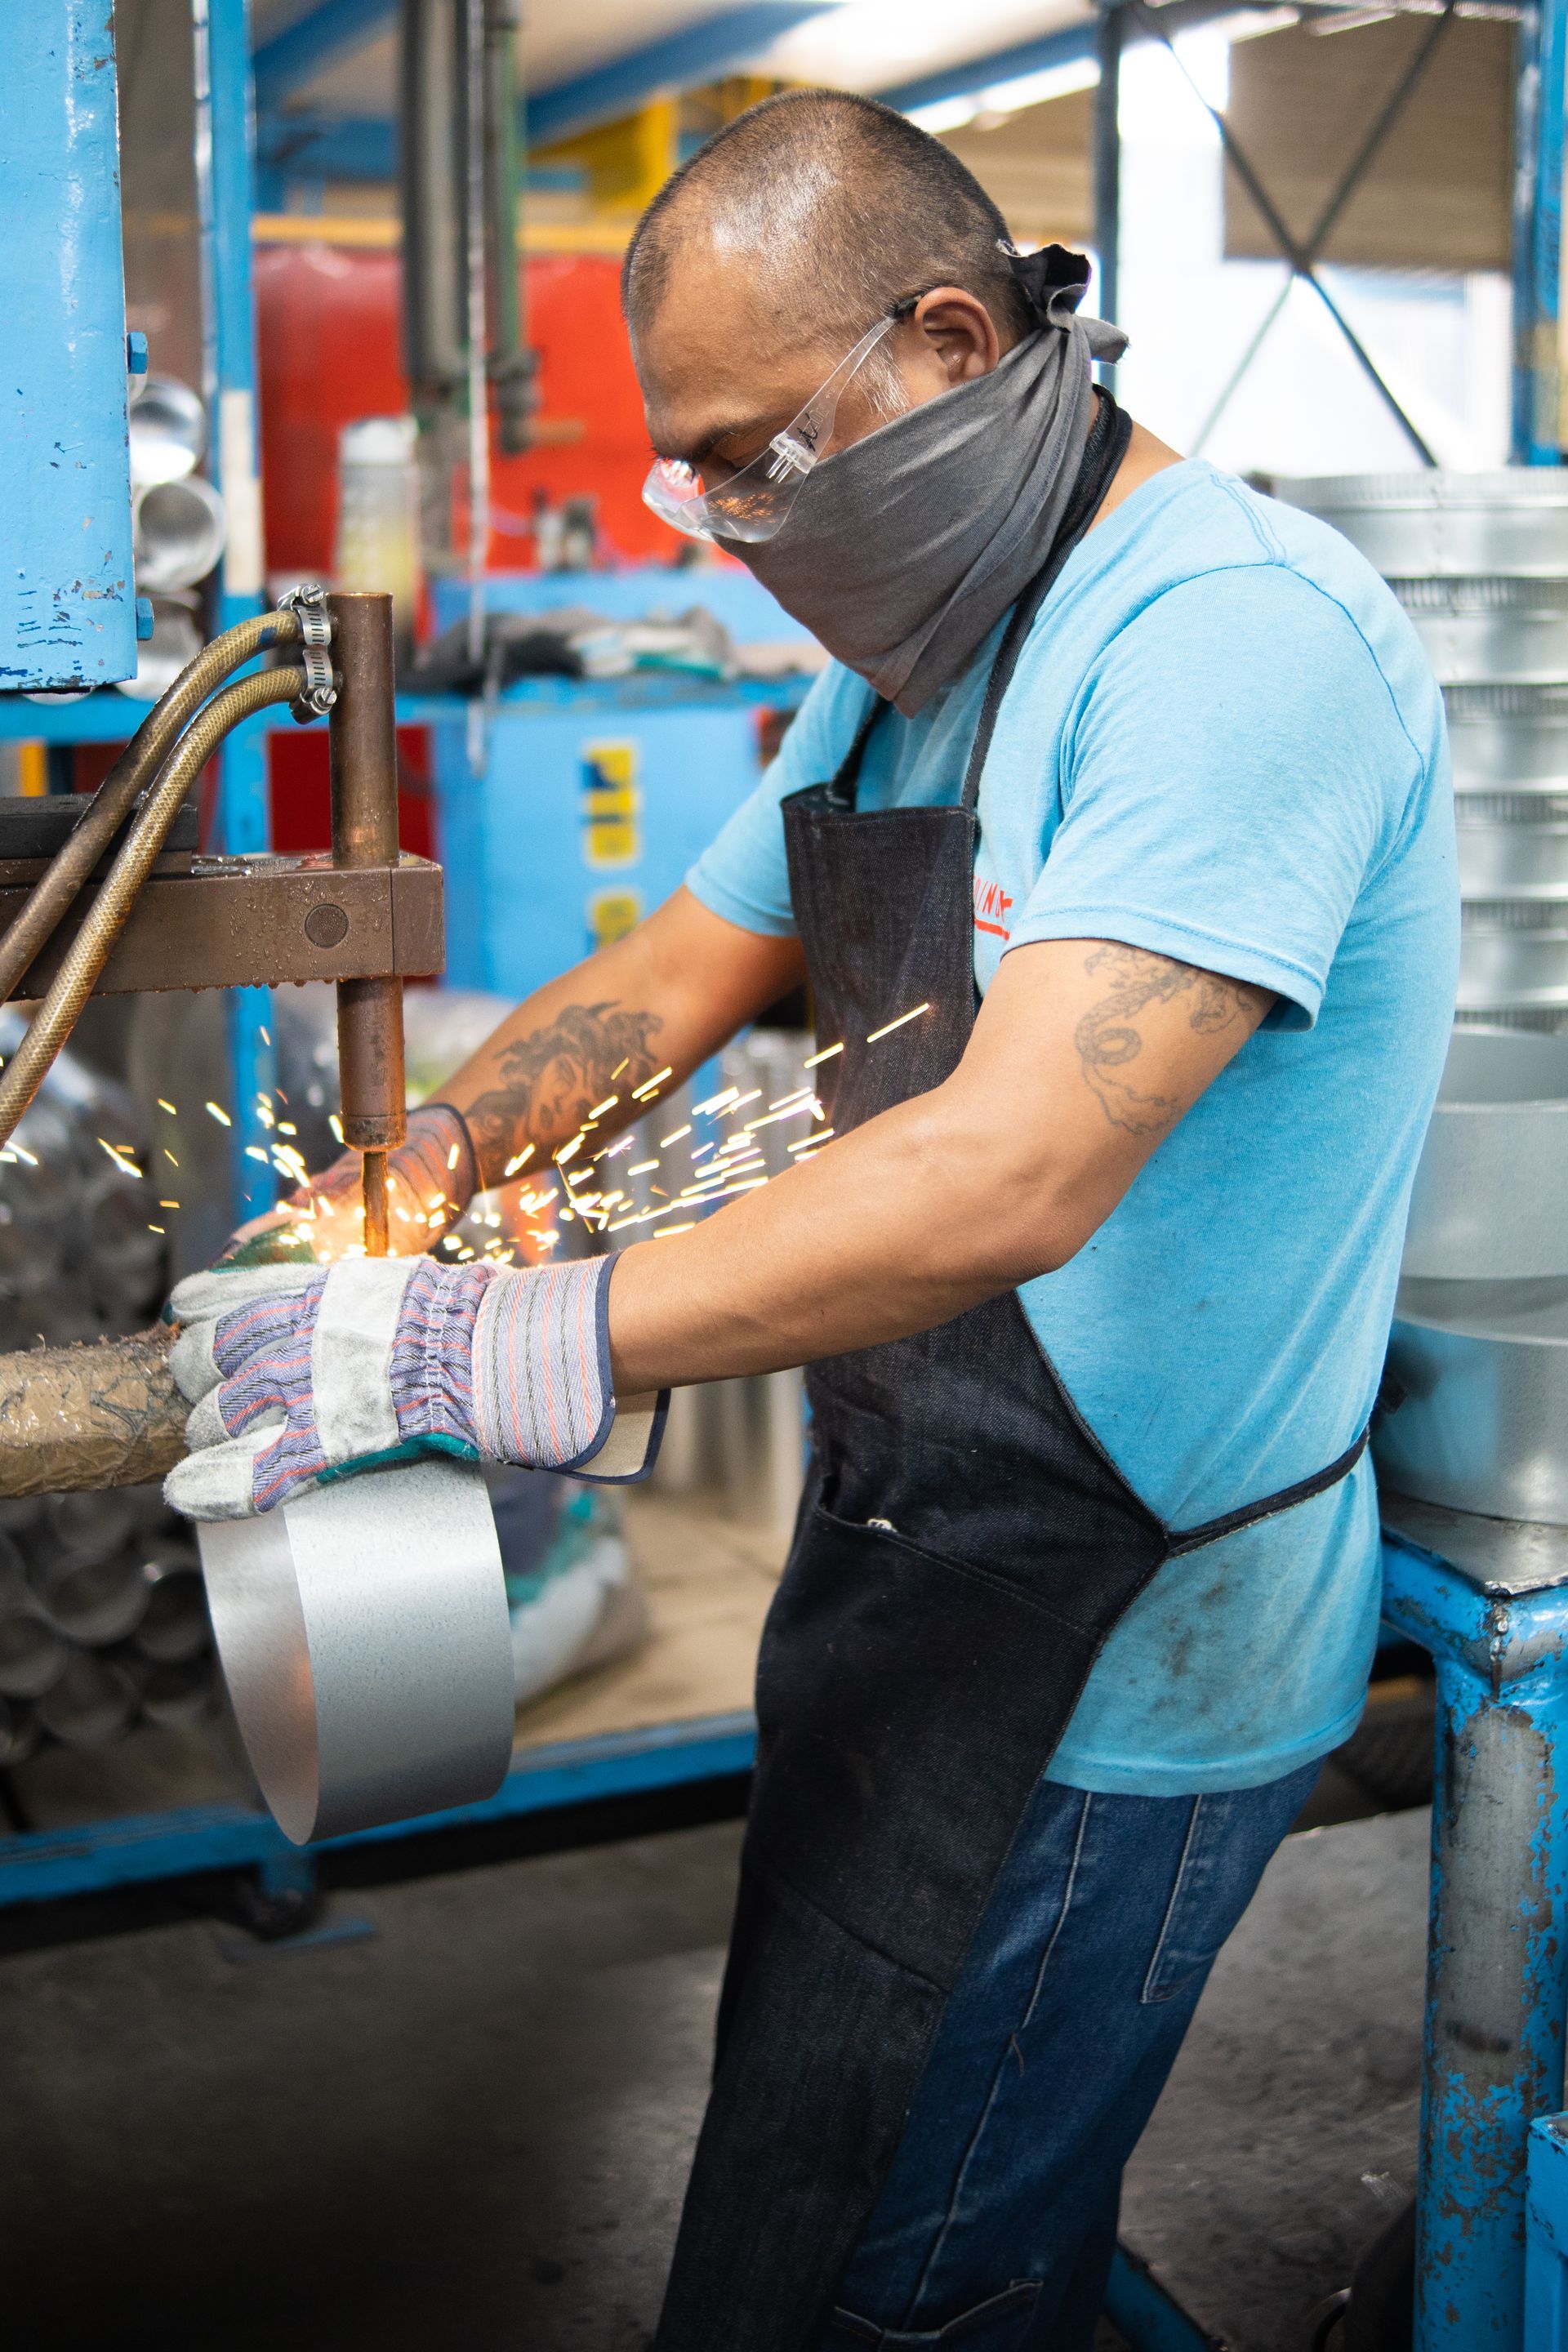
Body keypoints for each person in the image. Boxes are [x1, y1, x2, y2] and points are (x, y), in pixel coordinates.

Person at [166, 90, 1457, 2352]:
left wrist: (499, 1344)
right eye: (697, 475)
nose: (732, 521)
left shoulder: (1229, 644)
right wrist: (425, 1178)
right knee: (799, 2219)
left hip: (1130, 1648)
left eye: (754, 456)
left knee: (912, 2289)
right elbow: (679, 969)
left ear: (951, 345)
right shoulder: (906, 668)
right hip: (904, 1571)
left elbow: (1013, 1170)